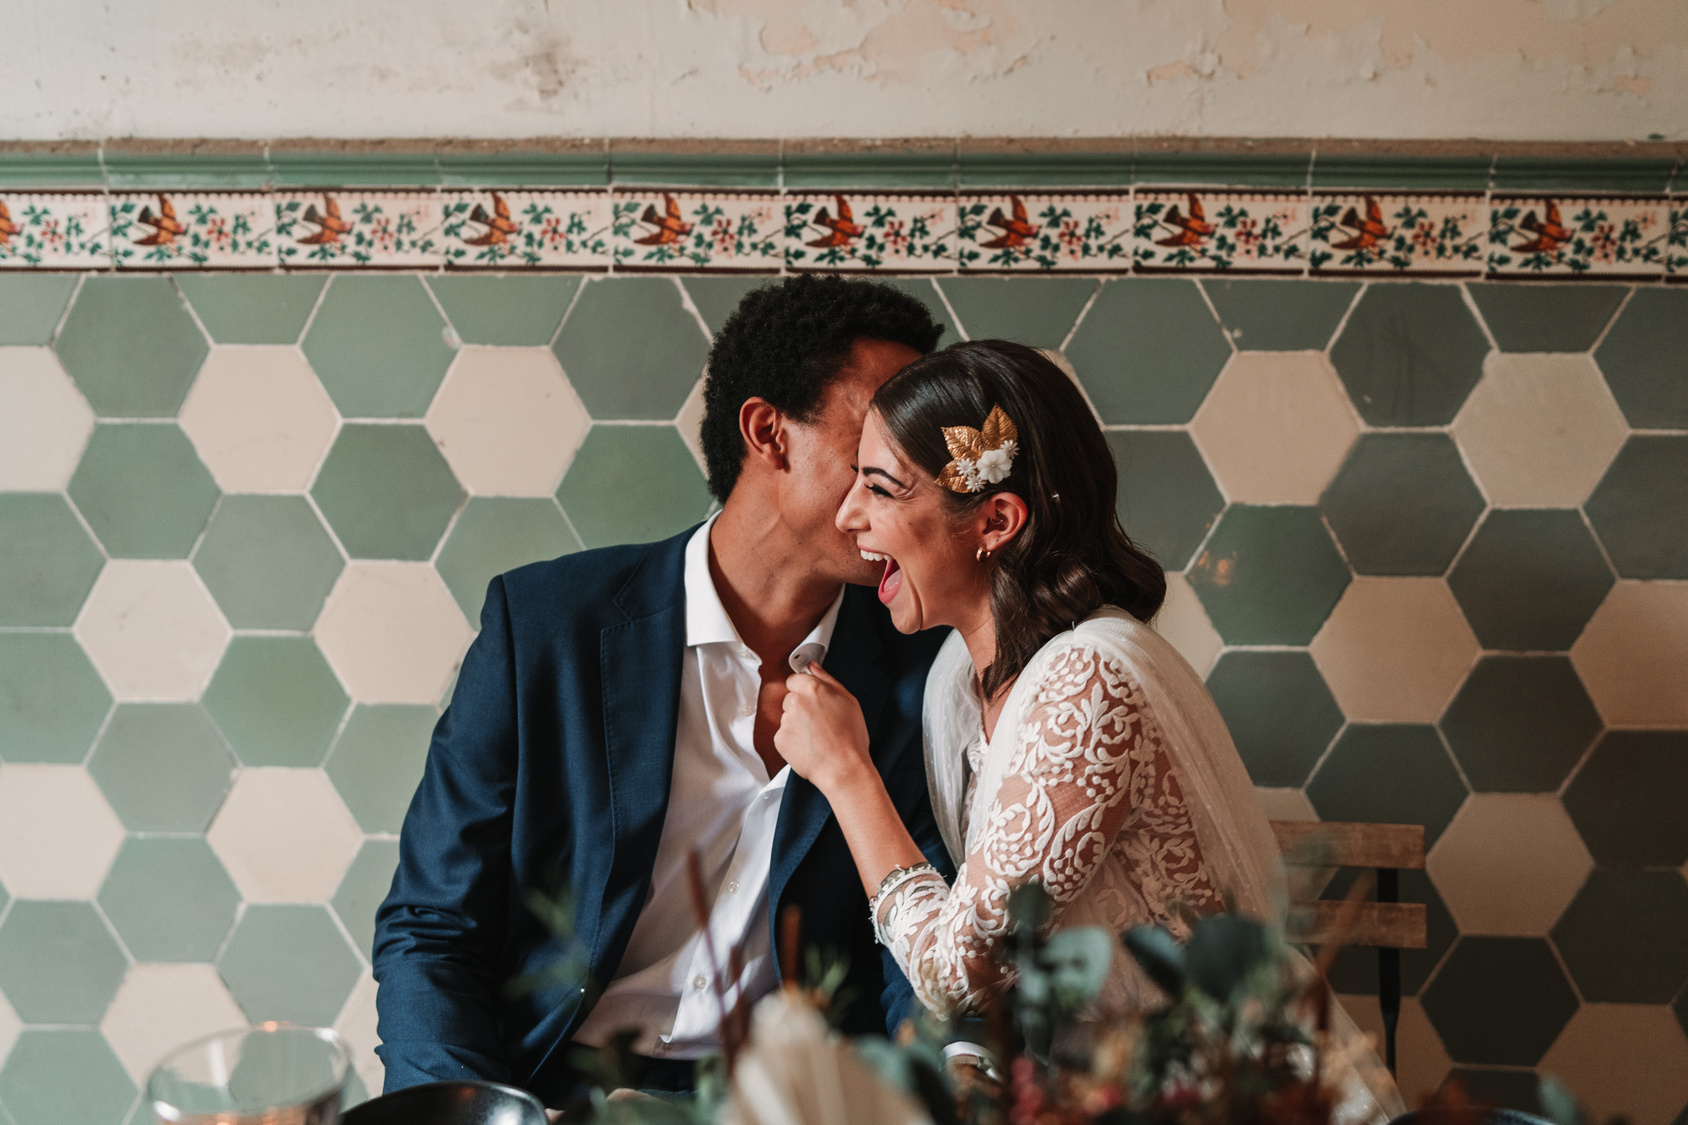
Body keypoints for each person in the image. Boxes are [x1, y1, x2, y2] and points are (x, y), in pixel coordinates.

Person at [774, 340, 1403, 1121]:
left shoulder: (1088, 683)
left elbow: (959, 970)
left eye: (881, 487)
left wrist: (845, 772)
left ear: (996, 520)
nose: (847, 514)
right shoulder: (954, 687)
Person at [372, 276, 956, 1107]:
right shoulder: (544, 629)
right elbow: (432, 929)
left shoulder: (923, 671)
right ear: (769, 433)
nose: (912, 479)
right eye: (878, 439)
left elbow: (917, 951)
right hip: (549, 1086)